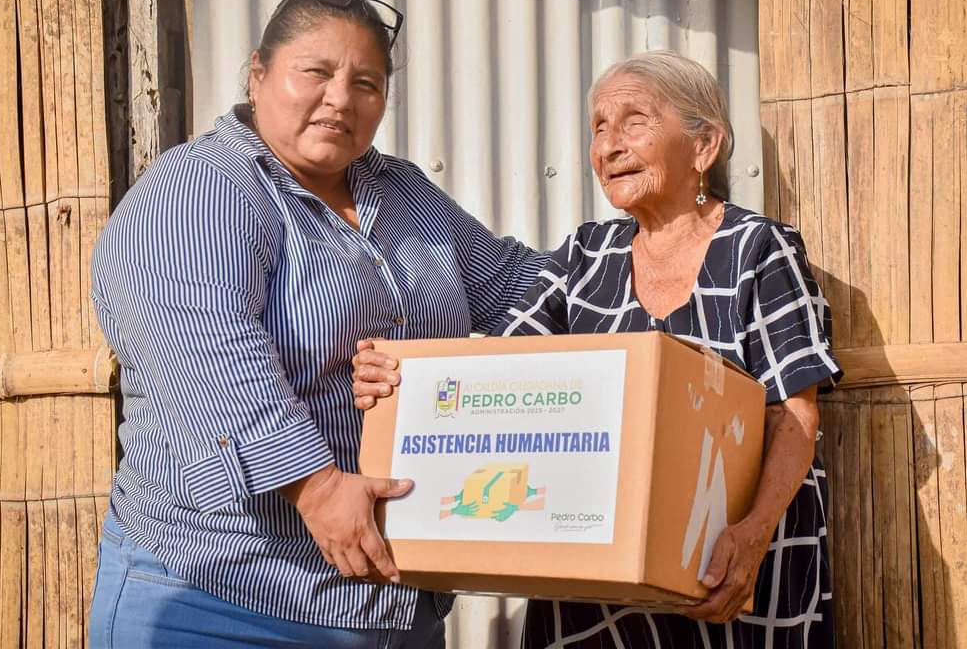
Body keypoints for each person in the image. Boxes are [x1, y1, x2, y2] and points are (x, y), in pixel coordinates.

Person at [87, 0, 544, 648]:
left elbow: (517, 287)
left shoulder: (405, 194)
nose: (340, 98)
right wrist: (319, 488)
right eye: (317, 72)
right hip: (226, 601)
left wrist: (653, 258)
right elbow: (207, 350)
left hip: (395, 601)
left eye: (366, 83)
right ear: (258, 74)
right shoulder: (200, 187)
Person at [353, 50, 842, 648]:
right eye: (599, 128)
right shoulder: (586, 257)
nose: (608, 146)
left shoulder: (757, 249)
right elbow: (495, 374)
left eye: (635, 122)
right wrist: (400, 380)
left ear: (704, 146)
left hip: (726, 570)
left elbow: (793, 413)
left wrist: (754, 532)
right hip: (597, 590)